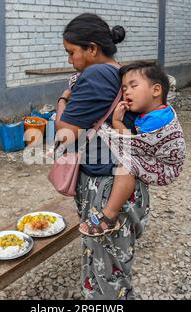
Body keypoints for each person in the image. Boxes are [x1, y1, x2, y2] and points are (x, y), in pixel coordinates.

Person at [55, 13, 150, 300]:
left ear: (93, 49)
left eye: (72, 53)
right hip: (124, 181)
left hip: (105, 187)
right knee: (113, 267)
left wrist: (63, 100)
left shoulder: (96, 74)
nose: (70, 60)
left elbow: (65, 134)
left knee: (107, 276)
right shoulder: (120, 72)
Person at [78, 62, 185, 237]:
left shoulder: (156, 121)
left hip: (165, 167)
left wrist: (112, 126)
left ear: (156, 90)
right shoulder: (157, 112)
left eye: (133, 86)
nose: (126, 92)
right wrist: (118, 122)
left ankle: (109, 216)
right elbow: (134, 140)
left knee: (126, 166)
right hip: (159, 162)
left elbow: (131, 143)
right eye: (124, 87)